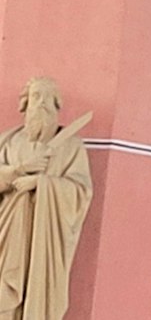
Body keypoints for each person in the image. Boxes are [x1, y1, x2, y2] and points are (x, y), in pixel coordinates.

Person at [0, 78, 92, 320]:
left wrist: (40, 184)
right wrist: (19, 170)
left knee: (36, 291)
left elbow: (80, 190)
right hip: (6, 231)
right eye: (36, 96)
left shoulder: (70, 146)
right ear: (25, 103)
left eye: (47, 97)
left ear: (56, 104)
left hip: (41, 236)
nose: (41, 103)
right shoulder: (7, 142)